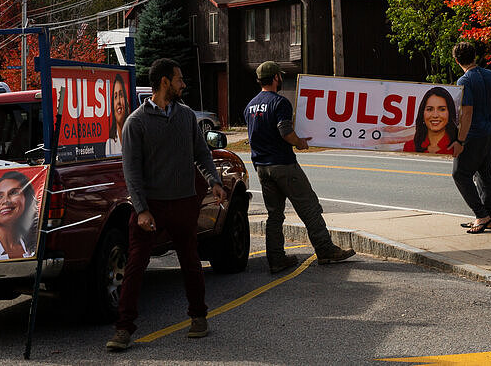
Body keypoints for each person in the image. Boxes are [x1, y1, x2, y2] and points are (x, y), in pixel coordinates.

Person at [107, 58, 227, 352]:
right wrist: (141, 209)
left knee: (190, 261)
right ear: (164, 82)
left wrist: (214, 181)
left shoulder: (187, 117)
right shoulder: (136, 122)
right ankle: (124, 329)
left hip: (184, 203)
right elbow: (131, 171)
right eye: (179, 79)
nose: (183, 84)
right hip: (152, 207)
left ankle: (199, 317)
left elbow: (202, 154)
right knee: (135, 265)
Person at [244, 60, 355, 274]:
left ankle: (276, 259)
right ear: (276, 78)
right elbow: (285, 131)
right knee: (309, 207)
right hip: (283, 165)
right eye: (279, 76)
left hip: (261, 167)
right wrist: (300, 142)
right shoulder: (280, 102)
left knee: (274, 215)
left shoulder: (250, 105)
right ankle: (325, 250)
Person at [450, 42, 491, 234]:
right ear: (474, 56)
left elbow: (468, 113)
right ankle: (489, 218)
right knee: (484, 174)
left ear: (457, 61)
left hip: (473, 136)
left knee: (459, 174)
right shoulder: (490, 75)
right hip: (489, 132)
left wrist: (460, 141)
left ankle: (481, 215)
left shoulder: (464, 81)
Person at [404, 87, 458, 154]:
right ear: (422, 113)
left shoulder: (457, 148)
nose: (435, 115)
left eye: (442, 109)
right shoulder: (410, 146)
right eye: (429, 109)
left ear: (450, 113)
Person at [104, 73, 128, 157]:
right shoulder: (110, 144)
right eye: (115, 96)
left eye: (121, 95)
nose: (118, 101)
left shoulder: (134, 135)